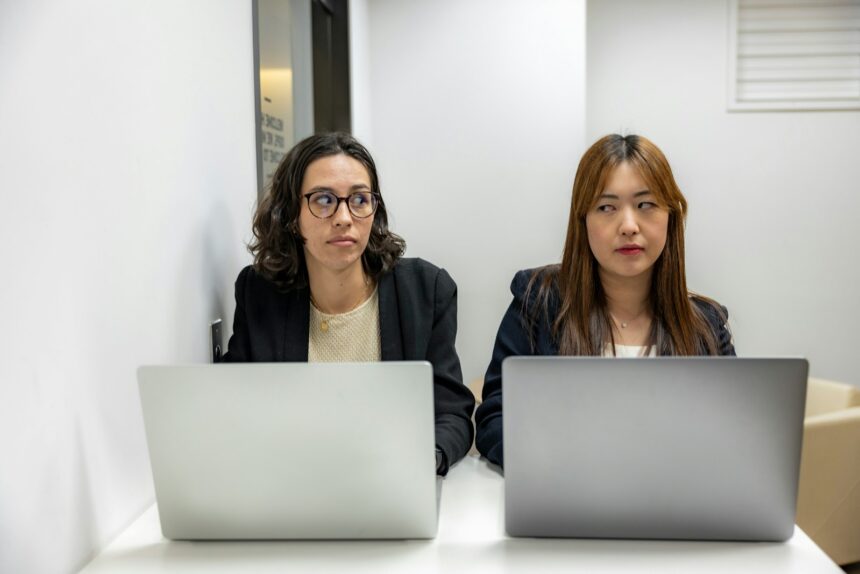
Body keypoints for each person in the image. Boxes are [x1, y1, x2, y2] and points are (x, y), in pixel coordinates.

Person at [474, 134, 735, 467]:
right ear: (583, 220)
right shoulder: (538, 301)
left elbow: (732, 435)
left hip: (674, 505)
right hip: (566, 499)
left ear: (671, 216)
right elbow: (496, 419)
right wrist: (559, 464)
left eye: (646, 204)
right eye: (606, 207)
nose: (628, 226)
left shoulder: (706, 326)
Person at [223, 132, 475, 475]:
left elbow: (451, 413)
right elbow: (231, 408)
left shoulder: (425, 291)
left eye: (359, 199)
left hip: (391, 485)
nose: (343, 217)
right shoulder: (259, 294)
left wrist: (423, 460)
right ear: (292, 216)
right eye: (324, 200)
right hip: (291, 484)